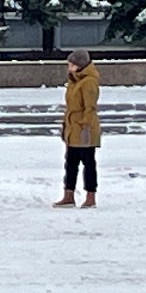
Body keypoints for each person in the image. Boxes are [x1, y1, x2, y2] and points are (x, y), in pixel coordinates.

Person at [55, 49, 101, 208]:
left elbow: (90, 108)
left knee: (88, 163)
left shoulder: (88, 82)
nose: (69, 67)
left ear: (80, 65)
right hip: (72, 128)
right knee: (70, 164)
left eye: (72, 64)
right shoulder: (74, 81)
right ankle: (68, 195)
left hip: (83, 130)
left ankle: (90, 197)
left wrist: (84, 126)